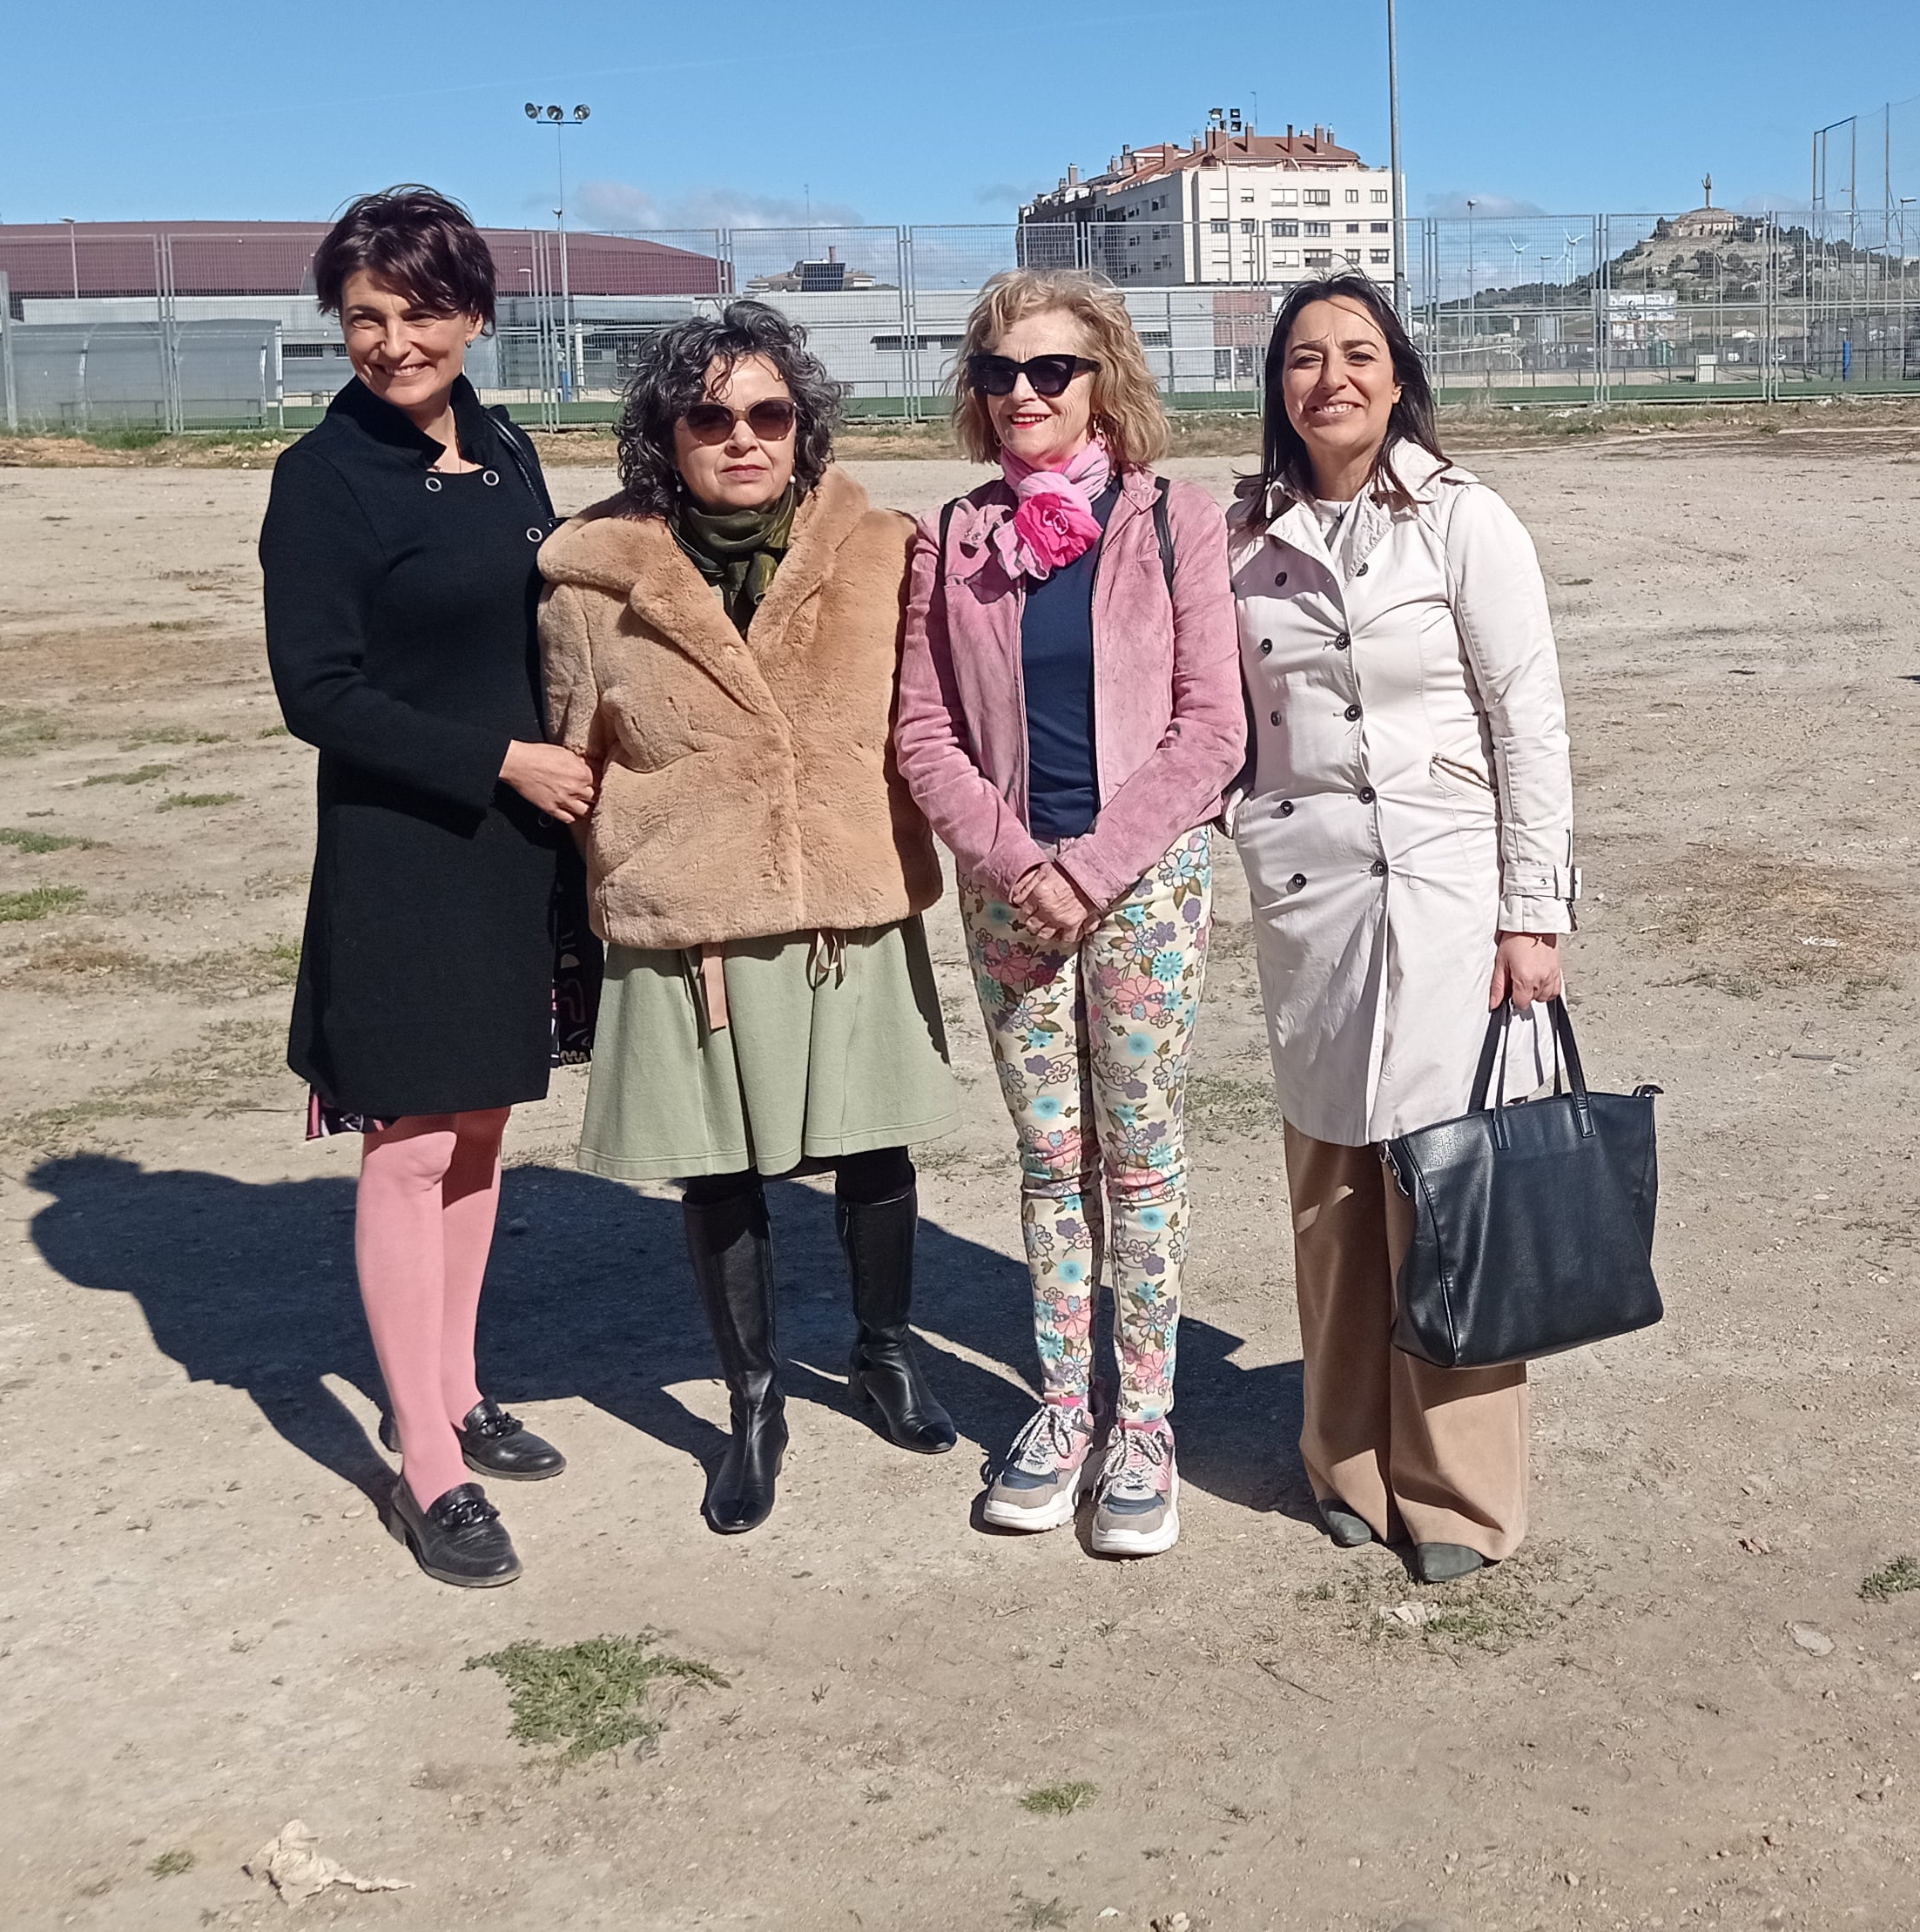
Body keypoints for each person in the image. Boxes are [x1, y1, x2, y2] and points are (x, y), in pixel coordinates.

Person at [537, 300, 960, 1536]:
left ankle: (885, 1353)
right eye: (708, 415)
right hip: (694, 922)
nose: (741, 437)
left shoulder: (885, 551)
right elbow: (574, 759)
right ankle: (754, 1397)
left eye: (768, 413)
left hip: (848, 896)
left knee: (875, 1149)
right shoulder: (587, 583)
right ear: (665, 434)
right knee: (716, 1168)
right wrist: (650, 867)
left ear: (802, 426)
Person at [260, 185, 594, 1590]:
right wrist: (503, 758)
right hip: (407, 853)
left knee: (475, 1130)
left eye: (419, 313)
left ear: (473, 311)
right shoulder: (323, 479)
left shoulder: (507, 448)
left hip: (515, 854)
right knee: (404, 1143)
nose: (392, 343)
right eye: (364, 319)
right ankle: (425, 1460)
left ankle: (456, 1385)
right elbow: (316, 690)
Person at [1227, 274, 1577, 1588]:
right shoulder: (1242, 538)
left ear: (1397, 372)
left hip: (1448, 898)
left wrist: (1534, 915)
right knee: (1330, 1197)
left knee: (1452, 1193)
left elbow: (1527, 723)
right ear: (1277, 387)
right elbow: (1221, 721)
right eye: (1305, 359)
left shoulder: (1464, 521)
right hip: (1310, 906)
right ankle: (1345, 1460)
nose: (1332, 380)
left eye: (1356, 354)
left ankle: (1460, 1493)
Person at [893, 269, 1244, 1559]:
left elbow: (1212, 727)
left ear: (1106, 383)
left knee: (1138, 1153)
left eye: (1052, 370)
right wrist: (1008, 860)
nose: (1025, 392)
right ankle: (1061, 1406)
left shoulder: (1173, 523)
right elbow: (924, 731)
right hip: (1009, 900)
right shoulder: (953, 538)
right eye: (1000, 371)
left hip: (1142, 890)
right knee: (1050, 1164)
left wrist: (1093, 866)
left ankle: (1142, 1421)